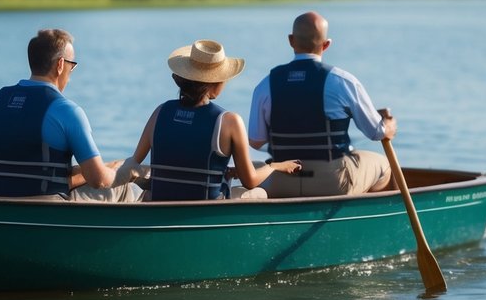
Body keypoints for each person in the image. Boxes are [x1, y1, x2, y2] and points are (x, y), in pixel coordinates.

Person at [0, 28, 139, 201]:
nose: (71, 73)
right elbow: (99, 180)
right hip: (49, 210)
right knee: (126, 189)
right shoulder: (67, 111)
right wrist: (124, 172)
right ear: (60, 65)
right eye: (72, 65)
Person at [126, 39, 301, 201]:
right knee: (259, 192)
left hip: (162, 205)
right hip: (204, 210)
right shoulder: (230, 121)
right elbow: (250, 180)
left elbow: (134, 162)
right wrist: (275, 166)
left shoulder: (160, 112)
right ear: (215, 82)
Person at [247, 11, 397, 197]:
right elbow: (376, 132)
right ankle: (353, 212)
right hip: (331, 182)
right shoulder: (343, 81)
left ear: (291, 40)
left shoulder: (265, 84)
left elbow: (255, 141)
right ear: (326, 45)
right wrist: (389, 124)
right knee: (384, 165)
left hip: (281, 181)